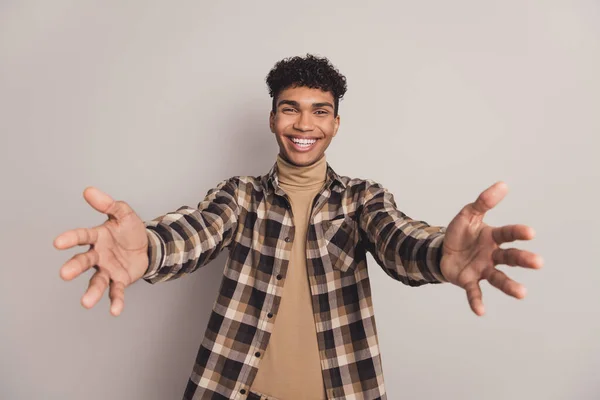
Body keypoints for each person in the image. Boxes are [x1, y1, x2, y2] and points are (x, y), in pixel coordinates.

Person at [54, 54, 543, 400]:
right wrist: (152, 247)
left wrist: (439, 254)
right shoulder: (241, 194)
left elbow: (398, 239)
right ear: (272, 119)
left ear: (335, 124)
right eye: (290, 108)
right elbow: (197, 231)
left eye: (320, 111)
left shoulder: (362, 197)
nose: (304, 123)